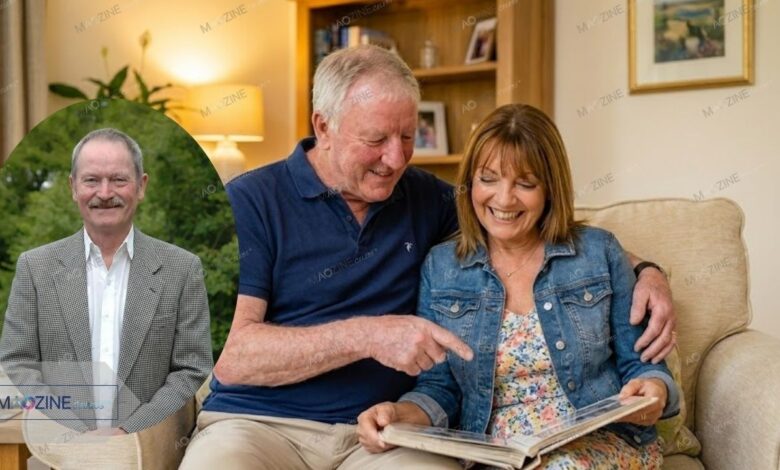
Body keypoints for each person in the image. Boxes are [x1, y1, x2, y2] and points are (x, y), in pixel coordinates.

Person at [180, 46, 676, 469]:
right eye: (376, 140)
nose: (396, 159)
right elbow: (231, 356)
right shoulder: (248, 203)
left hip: (385, 438)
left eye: (407, 137)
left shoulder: (426, 198)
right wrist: (369, 335)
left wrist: (645, 271)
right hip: (258, 426)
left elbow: (533, 230)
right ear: (323, 126)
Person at [357, 104, 680, 468]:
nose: (504, 199)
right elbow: (439, 388)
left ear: (550, 189)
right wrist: (397, 414)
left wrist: (654, 391)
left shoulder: (599, 252)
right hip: (498, 455)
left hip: (595, 445)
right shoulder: (442, 267)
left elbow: (642, 366)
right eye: (488, 179)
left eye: (525, 184)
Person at [0, 128, 213, 434]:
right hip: (61, 450)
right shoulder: (35, 268)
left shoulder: (182, 269)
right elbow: (18, 363)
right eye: (91, 180)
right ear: (73, 187)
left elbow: (191, 369)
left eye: (118, 180)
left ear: (141, 186)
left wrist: (129, 432)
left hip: (147, 451)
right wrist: (71, 430)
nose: (104, 193)